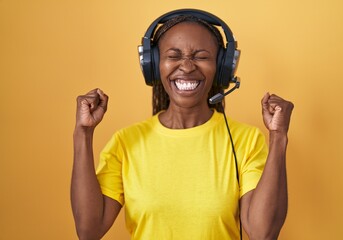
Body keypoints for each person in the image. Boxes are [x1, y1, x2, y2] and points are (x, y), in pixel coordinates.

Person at [71, 9, 294, 240]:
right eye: (174, 56)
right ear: (154, 64)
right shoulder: (126, 142)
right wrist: (82, 134)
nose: (187, 67)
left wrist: (278, 137)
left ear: (222, 67)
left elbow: (263, 233)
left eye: (201, 56)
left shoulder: (246, 140)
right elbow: (89, 231)